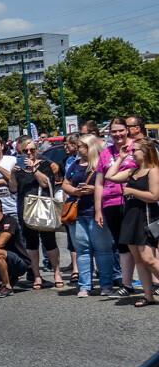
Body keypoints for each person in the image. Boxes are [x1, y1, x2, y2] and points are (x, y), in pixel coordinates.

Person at [108, 138, 159, 306]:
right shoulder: (132, 171)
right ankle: (148, 296)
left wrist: (131, 191)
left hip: (145, 218)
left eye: (134, 150)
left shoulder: (153, 171)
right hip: (130, 218)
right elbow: (110, 176)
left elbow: (154, 196)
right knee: (139, 260)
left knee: (149, 259)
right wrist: (121, 158)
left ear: (144, 152)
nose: (131, 153)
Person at [63, 135, 115, 297]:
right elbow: (65, 183)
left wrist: (94, 190)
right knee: (82, 250)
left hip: (96, 211)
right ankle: (84, 286)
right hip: (77, 212)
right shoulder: (75, 164)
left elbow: (110, 184)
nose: (77, 149)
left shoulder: (102, 163)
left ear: (90, 147)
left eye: (81, 146)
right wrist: (74, 191)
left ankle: (106, 285)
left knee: (103, 250)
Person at [10, 136, 63, 289]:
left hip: (43, 207)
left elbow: (46, 183)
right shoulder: (18, 167)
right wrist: (13, 174)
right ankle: (37, 275)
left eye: (32, 150)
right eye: (25, 150)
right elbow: (13, 188)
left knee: (49, 241)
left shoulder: (45, 165)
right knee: (31, 243)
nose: (28, 153)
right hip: (25, 208)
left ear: (37, 150)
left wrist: (34, 168)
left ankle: (57, 272)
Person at [95, 117, 137, 296]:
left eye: (120, 130)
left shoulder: (137, 146)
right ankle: (127, 284)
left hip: (134, 201)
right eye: (113, 131)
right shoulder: (106, 153)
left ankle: (155, 282)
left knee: (143, 243)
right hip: (111, 203)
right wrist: (98, 209)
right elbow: (99, 183)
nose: (117, 134)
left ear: (127, 130)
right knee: (121, 244)